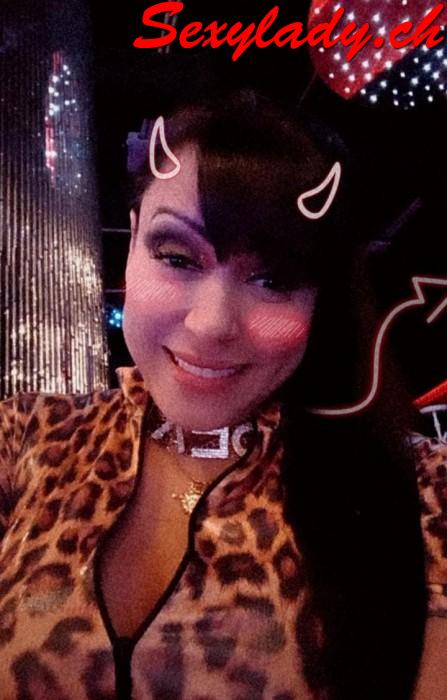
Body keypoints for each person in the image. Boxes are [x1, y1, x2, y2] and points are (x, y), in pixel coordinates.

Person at [0, 90, 436, 700]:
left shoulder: (423, 490)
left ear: (321, 300)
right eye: (178, 258)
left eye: (273, 279)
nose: (211, 324)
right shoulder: (24, 436)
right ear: (132, 241)